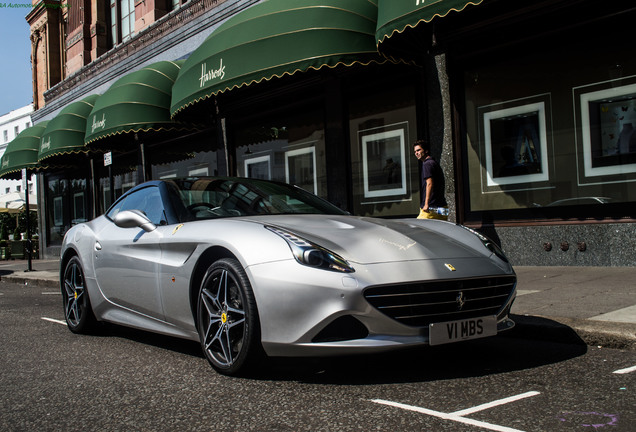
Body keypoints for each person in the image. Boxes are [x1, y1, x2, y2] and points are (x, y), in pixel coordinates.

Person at [413, 140, 448, 220]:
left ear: (426, 151)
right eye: (415, 151)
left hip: (431, 209)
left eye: (419, 150)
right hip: (442, 208)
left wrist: (426, 204)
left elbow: (429, 183)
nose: (416, 153)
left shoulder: (427, 164)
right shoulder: (434, 162)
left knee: (418, 230)